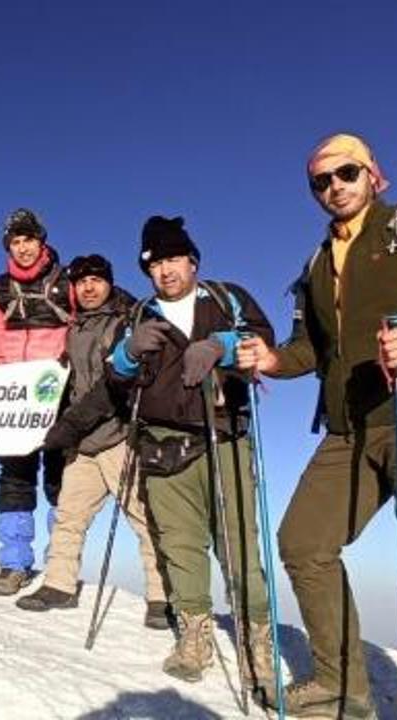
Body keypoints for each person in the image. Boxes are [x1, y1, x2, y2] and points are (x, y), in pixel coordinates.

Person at [237, 133, 397, 719]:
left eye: (346, 173)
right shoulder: (317, 263)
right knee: (303, 542)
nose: (334, 187)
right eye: (321, 181)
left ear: (373, 174)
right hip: (351, 427)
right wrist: (273, 359)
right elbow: (312, 349)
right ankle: (343, 685)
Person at [105, 216, 277, 701]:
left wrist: (221, 345)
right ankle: (195, 632)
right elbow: (116, 380)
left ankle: (255, 641)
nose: (165, 270)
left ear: (192, 261)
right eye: (155, 263)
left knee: (238, 541)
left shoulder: (226, 299)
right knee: (179, 545)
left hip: (224, 435)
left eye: (173, 259)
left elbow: (264, 342)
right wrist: (126, 354)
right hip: (161, 442)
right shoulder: (138, 314)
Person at [18, 254, 174, 629]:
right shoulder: (74, 328)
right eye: (81, 281)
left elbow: (116, 384)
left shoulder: (128, 320)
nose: (89, 287)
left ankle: (160, 597)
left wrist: (69, 426)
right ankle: (58, 585)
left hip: (121, 435)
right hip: (83, 442)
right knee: (69, 518)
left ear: (108, 282)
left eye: (96, 280)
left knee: (143, 518)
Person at [0, 208, 71, 595]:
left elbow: (78, 324)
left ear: (42, 241)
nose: (23, 248)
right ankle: (14, 563)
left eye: (28, 239)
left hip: (58, 391)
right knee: (15, 477)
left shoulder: (65, 280)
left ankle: (59, 564)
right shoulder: (0, 286)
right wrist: (0, 370)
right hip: (16, 396)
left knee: (58, 477)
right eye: (16, 242)